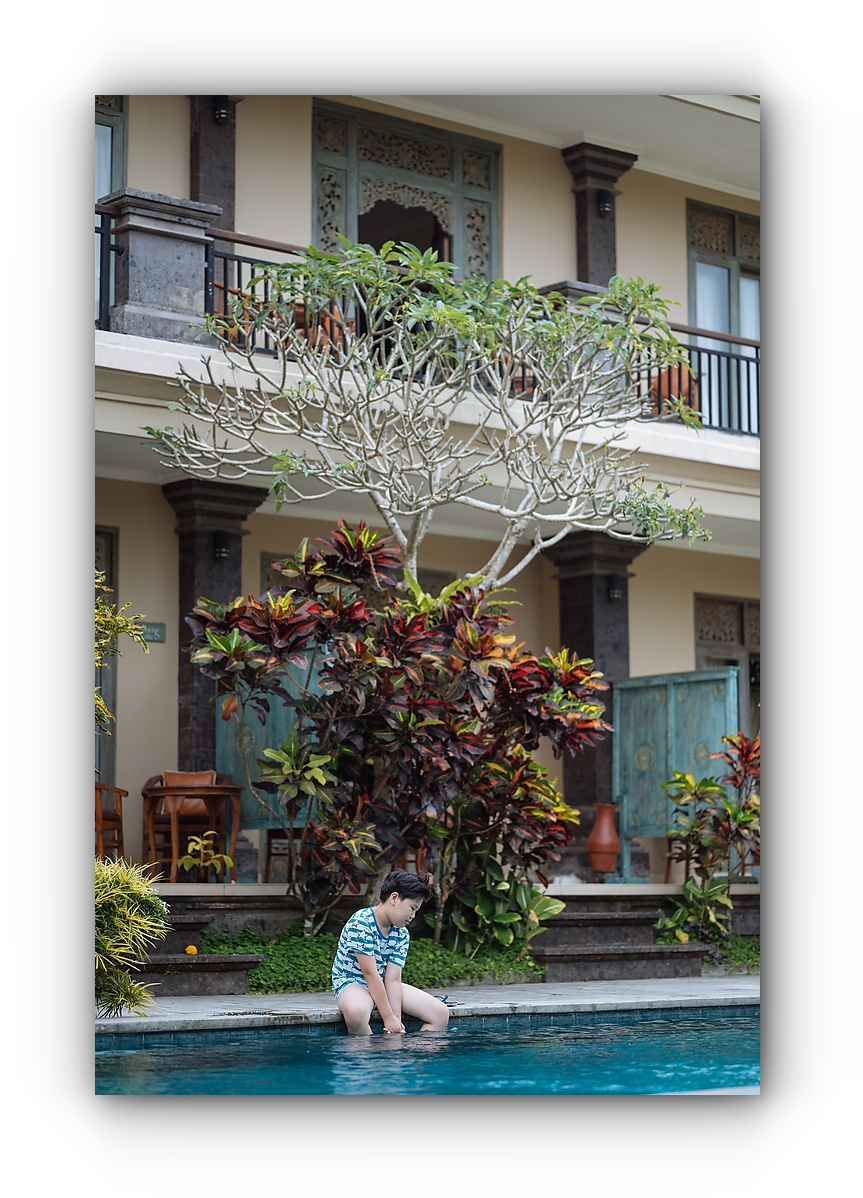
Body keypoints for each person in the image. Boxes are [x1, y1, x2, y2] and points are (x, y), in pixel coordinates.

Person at [332, 869, 450, 1035]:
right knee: (356, 1012)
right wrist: (387, 1017)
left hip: (383, 983)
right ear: (394, 898)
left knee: (440, 1014)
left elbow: (393, 980)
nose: (413, 916)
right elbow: (369, 974)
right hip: (353, 983)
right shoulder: (361, 923)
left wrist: (395, 1023)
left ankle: (405, 1050)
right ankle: (370, 1051)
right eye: (412, 908)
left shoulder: (401, 934)